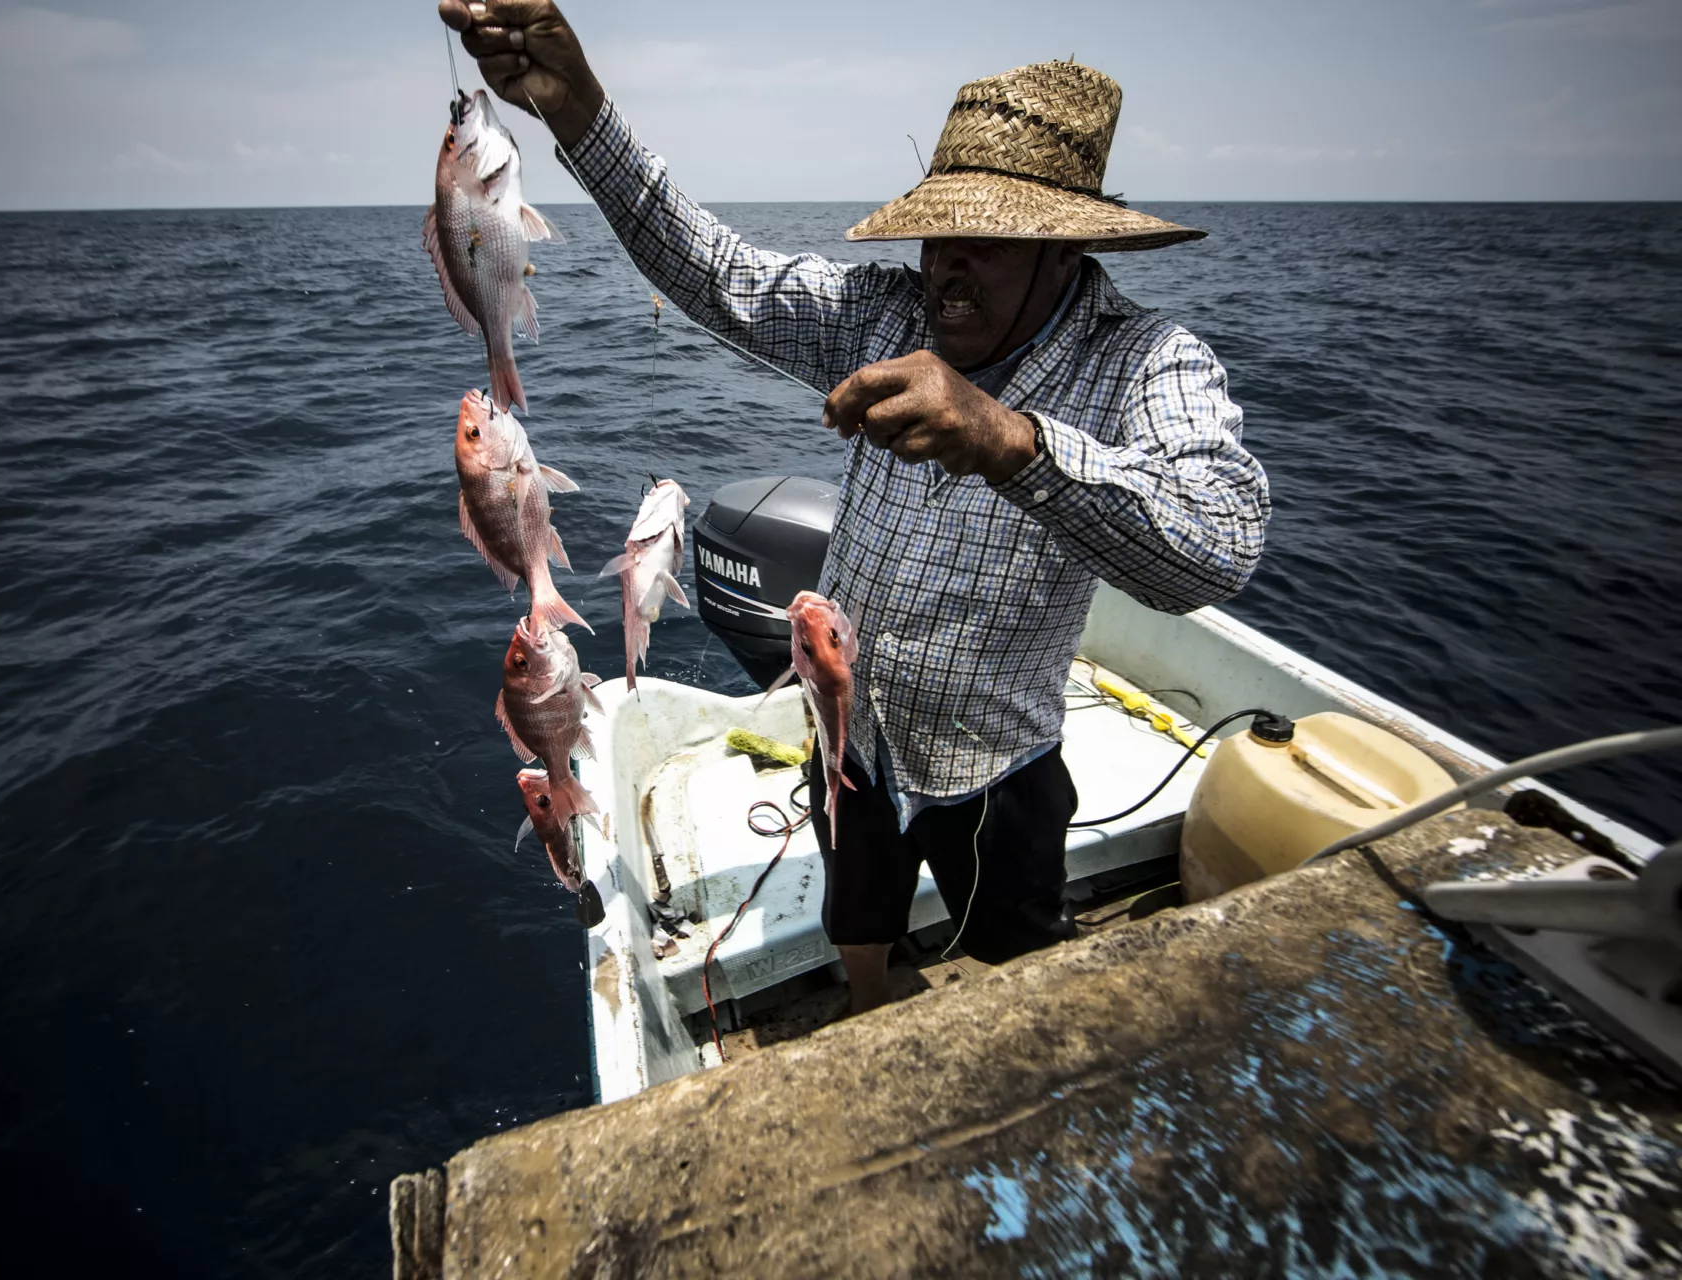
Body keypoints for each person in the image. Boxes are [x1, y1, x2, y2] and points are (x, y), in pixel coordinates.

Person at [439, 1, 1272, 1013]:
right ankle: (873, 1002)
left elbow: (1216, 544)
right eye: (936, 236)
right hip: (850, 731)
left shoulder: (1145, 359)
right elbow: (717, 274)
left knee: (1020, 968)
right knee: (857, 908)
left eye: (985, 243)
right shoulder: (886, 314)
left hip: (997, 770)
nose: (945, 265)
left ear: (1064, 250)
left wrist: (1010, 440)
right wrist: (582, 115)